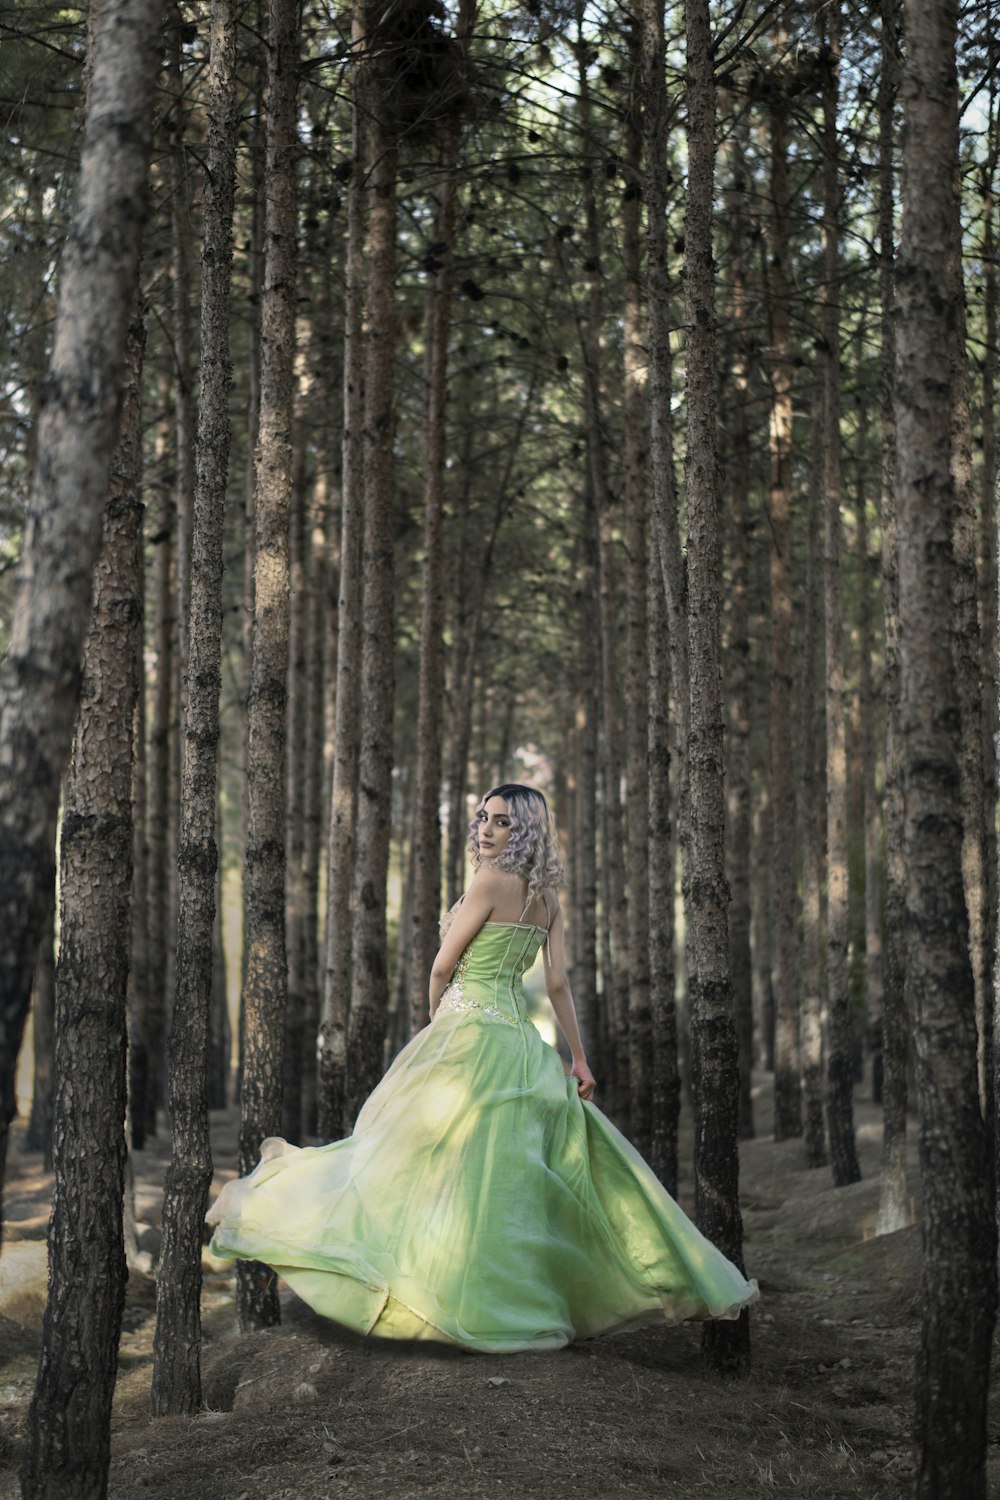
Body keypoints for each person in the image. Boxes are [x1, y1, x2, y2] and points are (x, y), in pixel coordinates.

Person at [207, 782, 758, 1352]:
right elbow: (558, 984)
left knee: (404, 1159)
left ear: (526, 830)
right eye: (483, 819)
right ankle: (517, 1297)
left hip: (468, 1033)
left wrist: (438, 1024)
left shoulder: (489, 881)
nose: (486, 831)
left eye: (501, 822)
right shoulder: (548, 899)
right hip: (519, 1042)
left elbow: (443, 967)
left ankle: (423, 1289)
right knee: (500, 1180)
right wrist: (578, 1058)